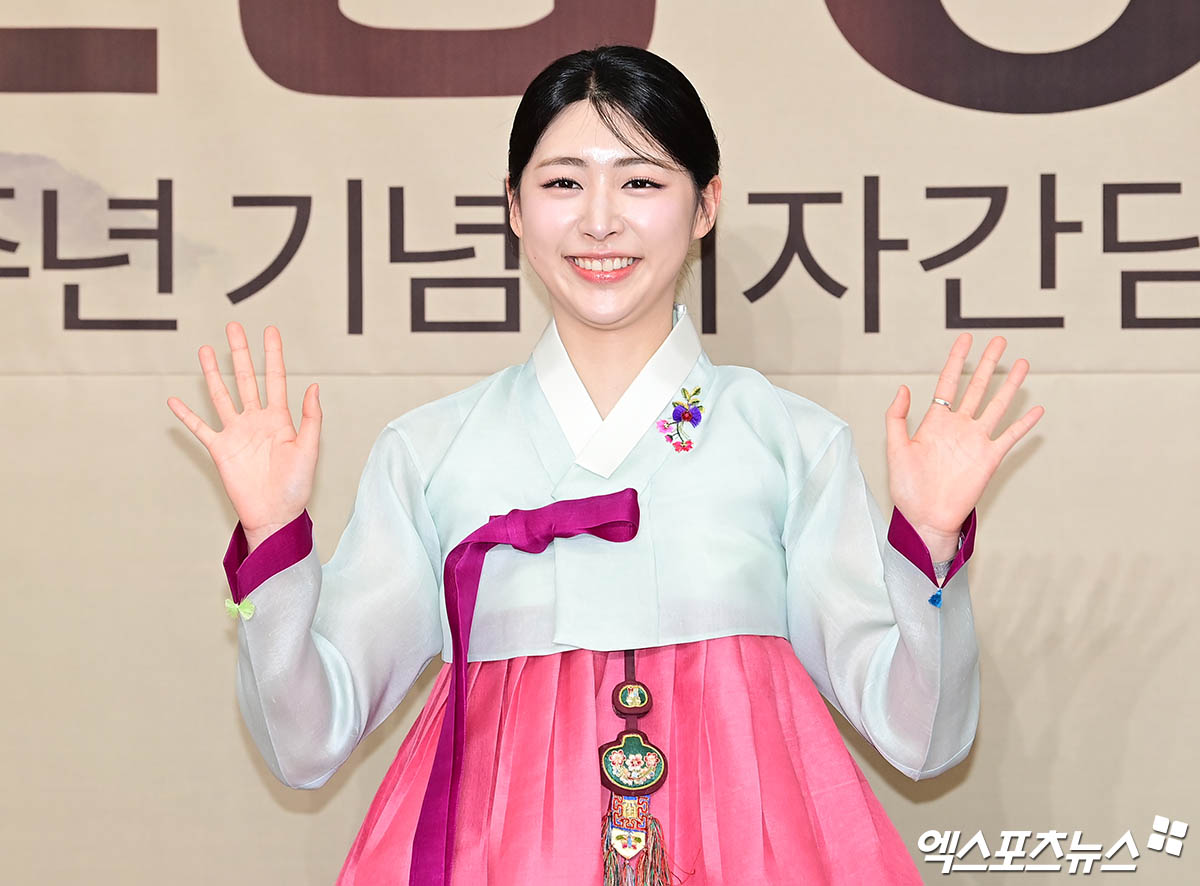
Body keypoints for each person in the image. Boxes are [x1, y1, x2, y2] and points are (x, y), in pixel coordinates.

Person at [167, 45, 1044, 886]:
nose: (599, 220)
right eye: (562, 183)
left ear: (705, 205)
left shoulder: (788, 442)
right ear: (514, 207)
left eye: (640, 182)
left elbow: (921, 739)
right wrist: (272, 541)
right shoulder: (431, 452)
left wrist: (929, 545)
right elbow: (307, 742)